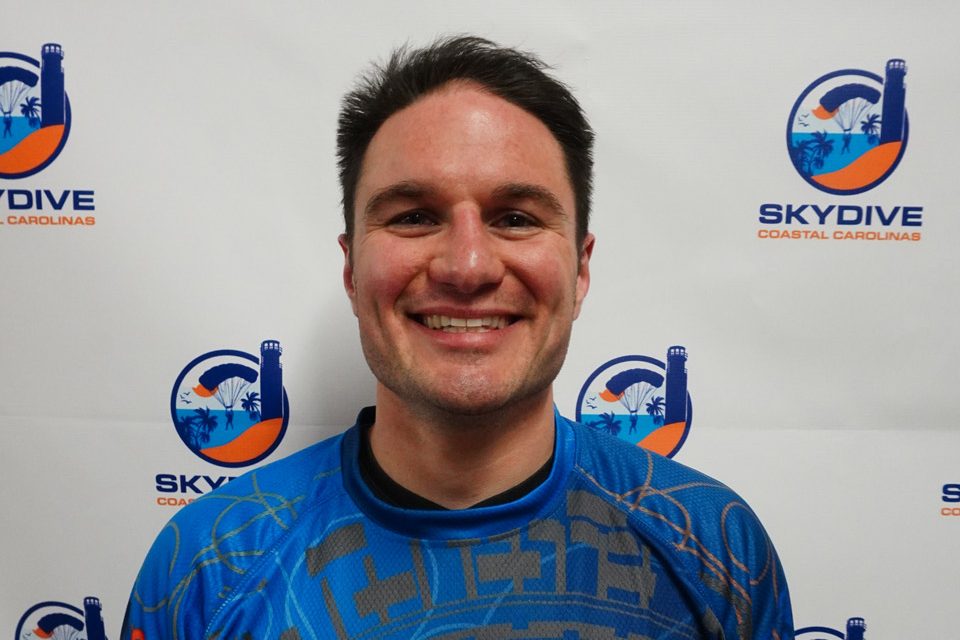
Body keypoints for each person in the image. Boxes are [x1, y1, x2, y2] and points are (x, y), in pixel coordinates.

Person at [122, 36, 794, 640]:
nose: (467, 267)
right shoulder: (209, 565)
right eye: (414, 216)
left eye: (515, 217)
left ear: (581, 267)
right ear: (352, 268)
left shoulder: (714, 545)